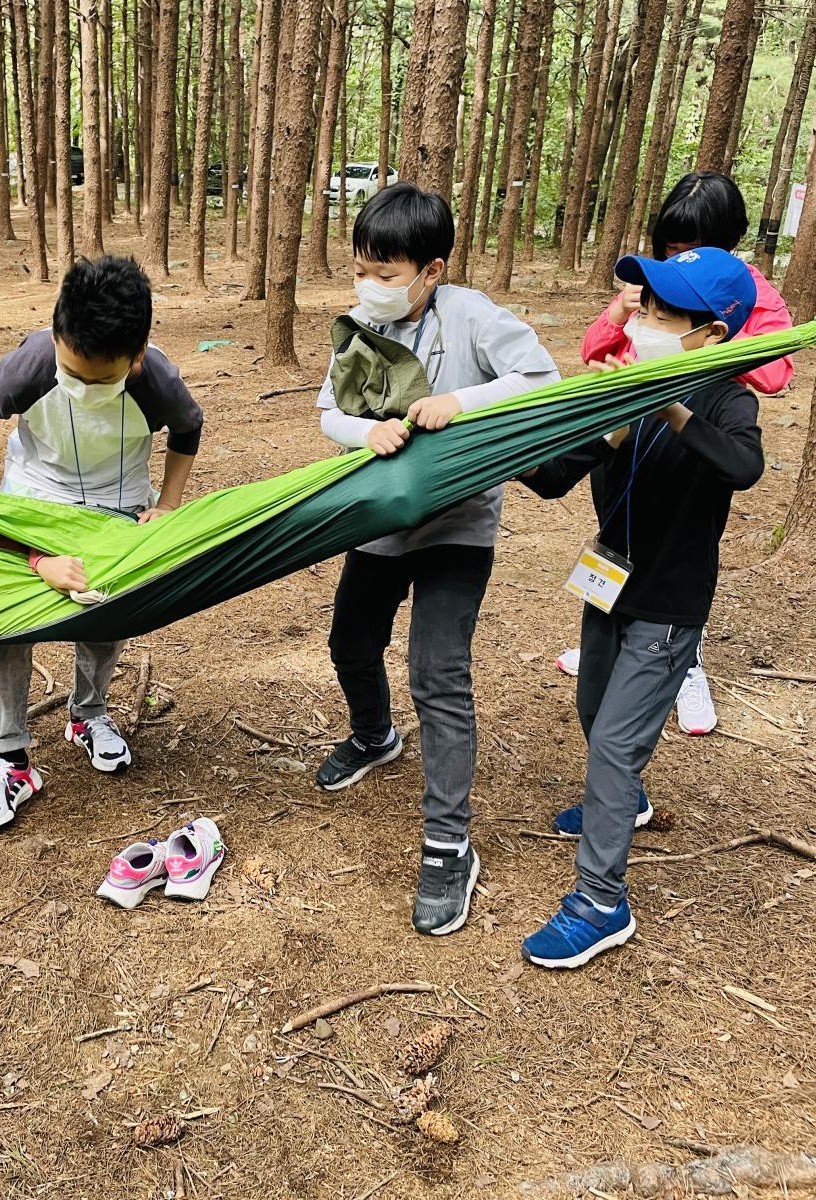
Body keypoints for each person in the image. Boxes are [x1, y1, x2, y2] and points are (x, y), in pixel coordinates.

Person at [313, 182, 559, 936]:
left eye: (386, 273)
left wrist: (462, 403)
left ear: (432, 270)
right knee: (350, 643)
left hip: (458, 525)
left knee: (438, 674)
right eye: (361, 269)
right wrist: (365, 434)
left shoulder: (473, 316)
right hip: (380, 521)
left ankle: (449, 844)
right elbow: (328, 412)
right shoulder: (361, 327)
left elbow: (542, 378)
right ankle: (373, 735)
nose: (369, 286)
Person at [518, 247, 765, 968]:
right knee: (593, 711)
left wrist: (672, 409)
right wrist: (495, 437)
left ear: (709, 334)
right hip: (609, 588)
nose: (640, 321)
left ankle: (600, 902)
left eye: (662, 313)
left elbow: (744, 467)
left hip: (668, 607)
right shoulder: (626, 384)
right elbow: (554, 478)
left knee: (615, 746)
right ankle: (626, 803)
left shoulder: (727, 398)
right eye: (642, 305)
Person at [0, 256, 203, 833]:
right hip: (35, 496)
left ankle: (88, 712)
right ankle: (11, 758)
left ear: (134, 358)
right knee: (7, 620)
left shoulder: (155, 377)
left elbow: (188, 426)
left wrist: (168, 504)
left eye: (99, 380)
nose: (84, 386)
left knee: (106, 606)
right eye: (73, 372)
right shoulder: (34, 361)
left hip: (117, 500)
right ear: (56, 337)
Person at [564, 171, 794, 737]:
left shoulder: (747, 292)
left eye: (692, 246)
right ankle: (612, 647)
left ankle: (683, 664)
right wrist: (625, 315)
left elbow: (775, 372)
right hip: (629, 439)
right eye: (670, 246)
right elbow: (595, 349)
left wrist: (696, 353)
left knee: (673, 563)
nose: (677, 258)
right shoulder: (655, 284)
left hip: (685, 444)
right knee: (621, 532)